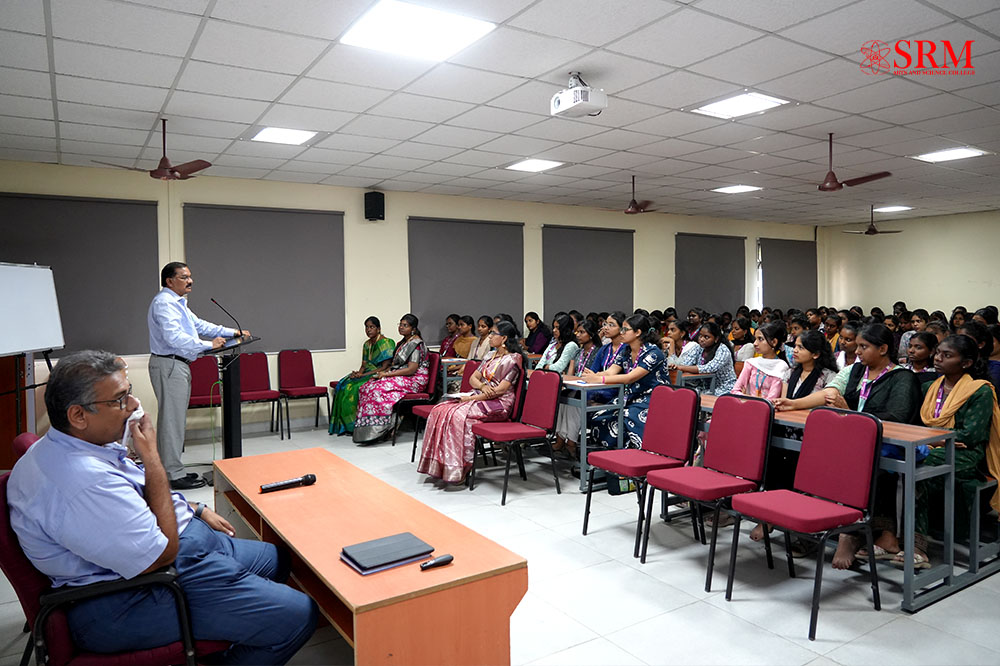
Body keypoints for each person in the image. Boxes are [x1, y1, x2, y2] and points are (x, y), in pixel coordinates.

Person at [8, 351, 317, 663]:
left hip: (176, 551)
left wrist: (194, 508)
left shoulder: (75, 443)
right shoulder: (84, 482)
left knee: (279, 561)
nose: (133, 405)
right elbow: (162, 555)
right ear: (78, 415)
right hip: (132, 595)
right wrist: (153, 457)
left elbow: (133, 496)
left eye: (128, 392)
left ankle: (235, 616)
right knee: (299, 616)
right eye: (119, 399)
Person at [825, 323, 921, 568]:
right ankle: (841, 524)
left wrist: (850, 412)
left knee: (857, 464)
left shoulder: (902, 378)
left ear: (883, 349)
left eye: (863, 346)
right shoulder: (858, 372)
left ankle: (852, 532)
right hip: (857, 438)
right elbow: (843, 400)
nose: (857, 351)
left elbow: (897, 417)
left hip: (890, 443)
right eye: (857, 346)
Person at [901, 334, 1000, 569]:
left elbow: (971, 435)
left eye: (947, 355)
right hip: (935, 446)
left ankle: (917, 546)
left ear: (966, 363)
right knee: (904, 460)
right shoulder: (929, 387)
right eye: (938, 353)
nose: (938, 359)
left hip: (971, 456)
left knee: (919, 465)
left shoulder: (979, 391)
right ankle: (893, 535)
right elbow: (919, 425)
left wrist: (934, 439)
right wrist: (938, 440)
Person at [147, 262, 248, 490]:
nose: (190, 281)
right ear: (169, 281)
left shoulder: (178, 303)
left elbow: (199, 325)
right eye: (184, 277)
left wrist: (232, 332)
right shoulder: (164, 304)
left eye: (190, 276)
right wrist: (208, 345)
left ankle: (173, 469)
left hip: (176, 365)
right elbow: (173, 337)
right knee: (172, 422)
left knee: (174, 420)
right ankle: (172, 475)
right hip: (169, 364)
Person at [416, 321, 525, 483]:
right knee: (440, 409)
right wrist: (481, 386)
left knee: (458, 416)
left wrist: (470, 398)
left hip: (499, 403)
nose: (490, 337)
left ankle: (461, 468)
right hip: (480, 395)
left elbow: (500, 390)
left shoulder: (513, 360)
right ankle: (440, 465)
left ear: (503, 338)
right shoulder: (490, 355)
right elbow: (473, 378)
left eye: (493, 333)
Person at [583, 315, 667, 448]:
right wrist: (594, 375)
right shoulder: (626, 350)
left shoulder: (653, 352)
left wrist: (600, 379)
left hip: (651, 397)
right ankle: (614, 451)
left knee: (626, 416)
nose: (621, 333)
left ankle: (636, 451)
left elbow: (630, 378)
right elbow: (610, 372)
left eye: (625, 330)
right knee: (599, 415)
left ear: (638, 332)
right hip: (630, 395)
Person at [353, 314, 429, 444]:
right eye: (400, 324)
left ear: (413, 329)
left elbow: (411, 369)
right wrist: (385, 372)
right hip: (402, 376)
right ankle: (366, 429)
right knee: (367, 386)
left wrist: (386, 375)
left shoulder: (415, 344)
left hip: (415, 379)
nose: (401, 327)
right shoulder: (403, 343)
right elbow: (396, 365)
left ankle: (382, 429)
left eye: (405, 325)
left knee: (377, 390)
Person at [329, 316, 395, 436]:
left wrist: (364, 375)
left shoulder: (386, 343)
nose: (368, 330)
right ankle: (342, 426)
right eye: (366, 327)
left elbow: (385, 367)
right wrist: (359, 373)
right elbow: (364, 365)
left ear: (379, 329)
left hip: (379, 375)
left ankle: (353, 426)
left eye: (372, 327)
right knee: (343, 384)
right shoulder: (366, 344)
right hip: (367, 373)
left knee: (353, 388)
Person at [553, 319, 602, 456]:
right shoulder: (577, 352)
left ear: (591, 334)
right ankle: (560, 438)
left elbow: (595, 374)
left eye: (582, 332)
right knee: (562, 397)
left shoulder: (598, 352)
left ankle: (571, 442)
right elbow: (571, 373)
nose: (578, 335)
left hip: (592, 389)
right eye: (577, 332)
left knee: (574, 401)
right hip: (576, 386)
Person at [669, 321, 737, 395]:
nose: (701, 339)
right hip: (705, 387)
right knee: (687, 394)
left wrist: (681, 367)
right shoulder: (699, 348)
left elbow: (709, 368)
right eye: (700, 336)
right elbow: (686, 363)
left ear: (716, 339)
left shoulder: (722, 350)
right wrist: (676, 366)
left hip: (725, 388)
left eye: (706, 337)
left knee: (696, 396)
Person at [731, 321, 790, 401]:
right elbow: (735, 390)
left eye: (760, 339)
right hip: (747, 405)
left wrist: (746, 397)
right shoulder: (751, 363)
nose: (755, 343)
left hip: (766, 408)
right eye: (755, 339)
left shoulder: (780, 367)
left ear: (774, 342)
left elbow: (771, 400)